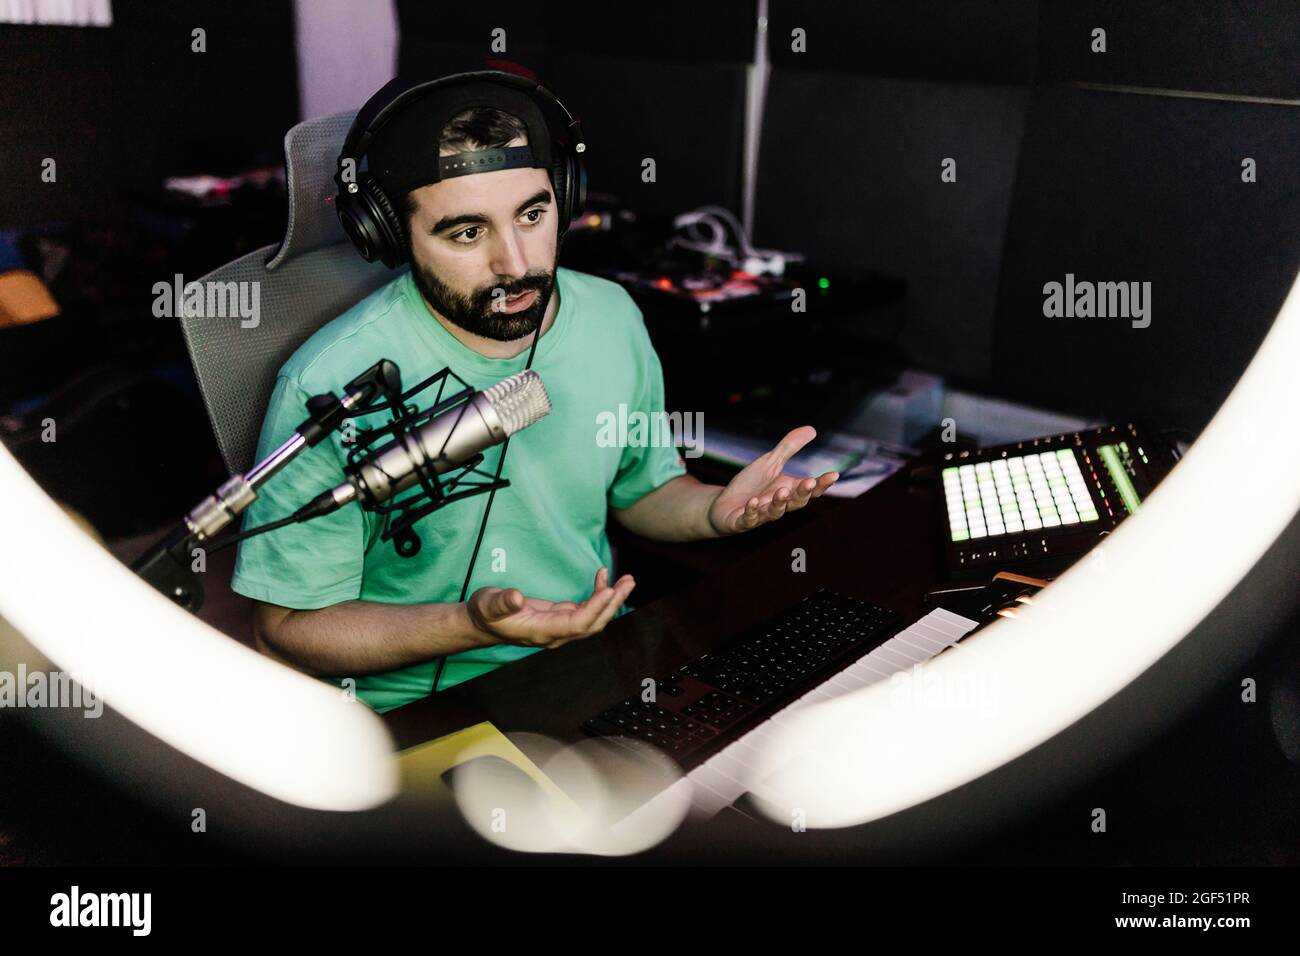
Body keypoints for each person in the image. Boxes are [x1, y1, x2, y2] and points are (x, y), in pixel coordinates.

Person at [230, 72, 839, 713]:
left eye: (532, 214)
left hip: (592, 664)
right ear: (386, 232)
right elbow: (288, 629)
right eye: (466, 232)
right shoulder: (330, 385)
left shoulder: (611, 315)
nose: (516, 264)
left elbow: (642, 492)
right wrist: (471, 627)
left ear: (565, 198)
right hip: (418, 710)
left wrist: (714, 510)